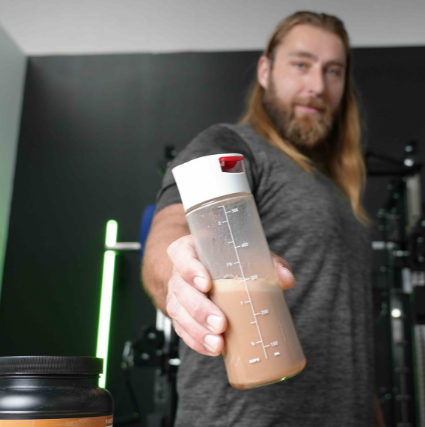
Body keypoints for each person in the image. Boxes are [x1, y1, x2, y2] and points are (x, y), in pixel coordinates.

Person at [142, 11, 385, 426]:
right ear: (266, 70)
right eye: (301, 64)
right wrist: (179, 280)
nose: (317, 86)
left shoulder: (335, 187)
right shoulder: (231, 146)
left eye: (334, 71)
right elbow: (171, 234)